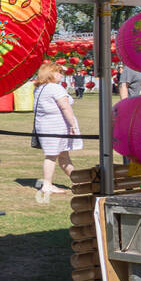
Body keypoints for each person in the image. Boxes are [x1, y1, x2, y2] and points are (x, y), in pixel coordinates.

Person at [33, 62, 82, 195]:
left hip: (45, 126)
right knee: (52, 156)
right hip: (55, 127)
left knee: (63, 156)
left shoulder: (40, 88)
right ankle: (47, 184)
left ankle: (79, 182)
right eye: (59, 71)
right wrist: (73, 125)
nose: (61, 74)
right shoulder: (55, 88)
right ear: (51, 73)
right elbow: (65, 107)